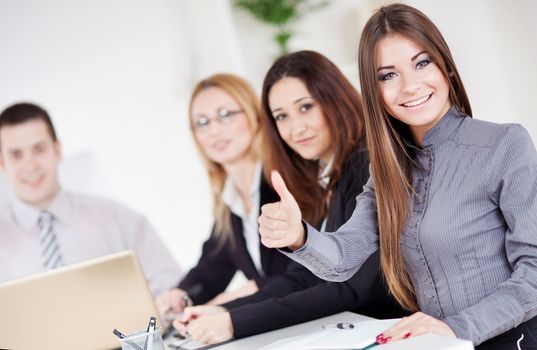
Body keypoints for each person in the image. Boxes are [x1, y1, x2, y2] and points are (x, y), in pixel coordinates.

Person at [258, 4, 537, 349]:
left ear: (445, 65)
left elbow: (535, 272)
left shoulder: (504, 144)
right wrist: (298, 235)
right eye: (388, 75)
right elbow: (344, 257)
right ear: (373, 90)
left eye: (422, 63)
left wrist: (455, 329)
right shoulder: (387, 169)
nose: (409, 86)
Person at [173, 51, 406, 345]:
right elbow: (303, 277)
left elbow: (351, 287)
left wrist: (234, 320)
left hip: (394, 331)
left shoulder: (363, 166)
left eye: (306, 107)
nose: (296, 127)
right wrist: (223, 311)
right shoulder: (325, 175)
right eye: (282, 116)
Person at [0, 102, 182, 296]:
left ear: (57, 150)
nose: (30, 165)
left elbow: (171, 285)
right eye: (16, 155)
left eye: (39, 149)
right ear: (2, 162)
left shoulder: (116, 217)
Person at [155, 74, 292, 321]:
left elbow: (305, 273)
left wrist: (236, 298)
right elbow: (210, 270)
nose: (214, 130)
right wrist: (181, 295)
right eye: (202, 122)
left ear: (254, 116)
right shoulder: (229, 202)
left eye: (226, 115)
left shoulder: (286, 181)